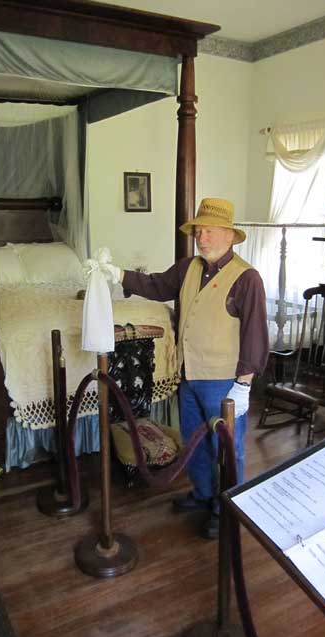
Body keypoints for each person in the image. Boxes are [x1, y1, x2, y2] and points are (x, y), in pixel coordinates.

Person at [105, 198, 269, 539]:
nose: (201, 237)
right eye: (198, 230)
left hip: (224, 381)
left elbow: (255, 333)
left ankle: (227, 509)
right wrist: (118, 274)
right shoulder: (189, 267)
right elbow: (156, 286)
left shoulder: (247, 278)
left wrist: (244, 383)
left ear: (228, 235)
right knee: (194, 444)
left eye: (208, 231)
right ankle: (203, 494)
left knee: (227, 447)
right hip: (190, 374)